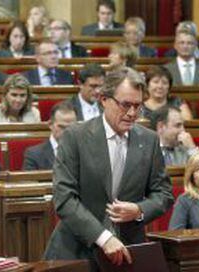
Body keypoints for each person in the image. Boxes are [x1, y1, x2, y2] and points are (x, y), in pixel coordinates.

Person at [43, 67, 174, 269]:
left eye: (137, 106)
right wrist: (103, 238)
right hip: (76, 251)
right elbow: (64, 198)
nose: (132, 113)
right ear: (104, 100)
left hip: (126, 252)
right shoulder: (75, 137)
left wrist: (139, 210)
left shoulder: (149, 140)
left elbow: (163, 193)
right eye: (125, 105)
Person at [23, 101, 77, 170]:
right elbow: (30, 180)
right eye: (62, 127)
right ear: (50, 125)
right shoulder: (33, 154)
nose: (67, 132)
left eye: (71, 127)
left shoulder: (85, 152)